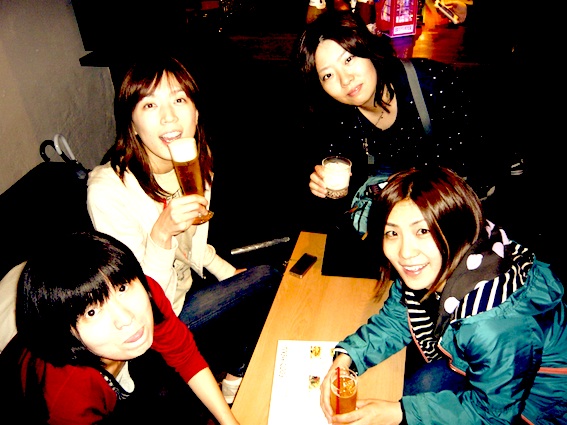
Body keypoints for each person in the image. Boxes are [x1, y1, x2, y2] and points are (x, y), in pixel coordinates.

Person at [86, 54, 281, 403]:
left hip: (185, 289)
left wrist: (226, 271)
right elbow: (141, 306)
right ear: (131, 124)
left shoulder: (194, 161)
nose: (169, 116)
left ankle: (234, 371)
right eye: (149, 105)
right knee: (269, 278)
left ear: (196, 112)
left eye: (179, 100)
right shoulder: (108, 191)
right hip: (153, 326)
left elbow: (193, 243)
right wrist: (161, 234)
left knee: (270, 277)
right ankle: (236, 375)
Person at [318, 165, 567, 425]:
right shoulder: (446, 258)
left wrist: (397, 414)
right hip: (489, 370)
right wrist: (348, 358)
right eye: (392, 233)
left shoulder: (491, 323)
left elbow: (493, 415)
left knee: (415, 394)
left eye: (422, 231)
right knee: (419, 388)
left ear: (455, 227)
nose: (405, 253)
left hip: (541, 408)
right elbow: (397, 318)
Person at [294, 10, 510, 237]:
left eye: (348, 59)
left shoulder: (432, 85)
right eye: (328, 75)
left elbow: (482, 167)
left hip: (456, 219)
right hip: (397, 230)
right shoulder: (337, 121)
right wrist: (326, 190)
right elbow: (344, 209)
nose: (345, 79)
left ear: (367, 48)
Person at [0, 231, 240, 424]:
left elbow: (185, 356)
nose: (126, 318)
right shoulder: (67, 394)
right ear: (67, 332)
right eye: (92, 312)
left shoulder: (145, 290)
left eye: (122, 288)